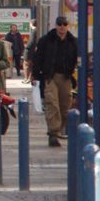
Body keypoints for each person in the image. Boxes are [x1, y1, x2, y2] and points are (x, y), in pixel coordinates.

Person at [33, 15, 78, 147]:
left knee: (65, 107)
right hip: (50, 76)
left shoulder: (73, 42)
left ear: (67, 26)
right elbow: (38, 58)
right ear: (56, 25)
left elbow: (78, 59)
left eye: (64, 24)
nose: (62, 27)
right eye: (59, 24)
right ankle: (53, 133)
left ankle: (58, 130)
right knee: (52, 104)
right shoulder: (46, 40)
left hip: (66, 77)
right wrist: (35, 75)